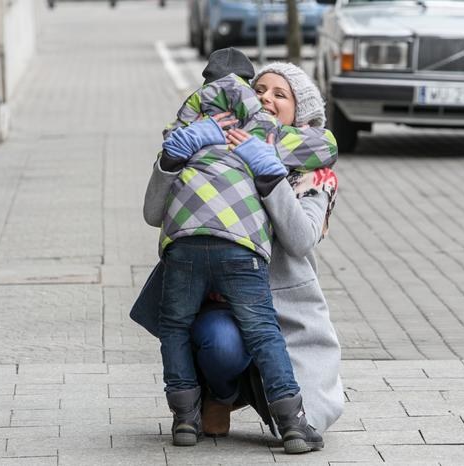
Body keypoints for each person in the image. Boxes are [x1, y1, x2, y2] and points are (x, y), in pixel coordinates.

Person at [143, 51, 338, 454]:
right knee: (221, 343)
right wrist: (170, 159)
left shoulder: (312, 173)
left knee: (262, 335)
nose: (266, 98)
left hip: (281, 307)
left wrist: (269, 175)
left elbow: (301, 241)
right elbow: (152, 212)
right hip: (216, 303)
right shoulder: (209, 140)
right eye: (259, 89)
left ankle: (286, 416)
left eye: (280, 94)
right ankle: (220, 395)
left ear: (301, 113)